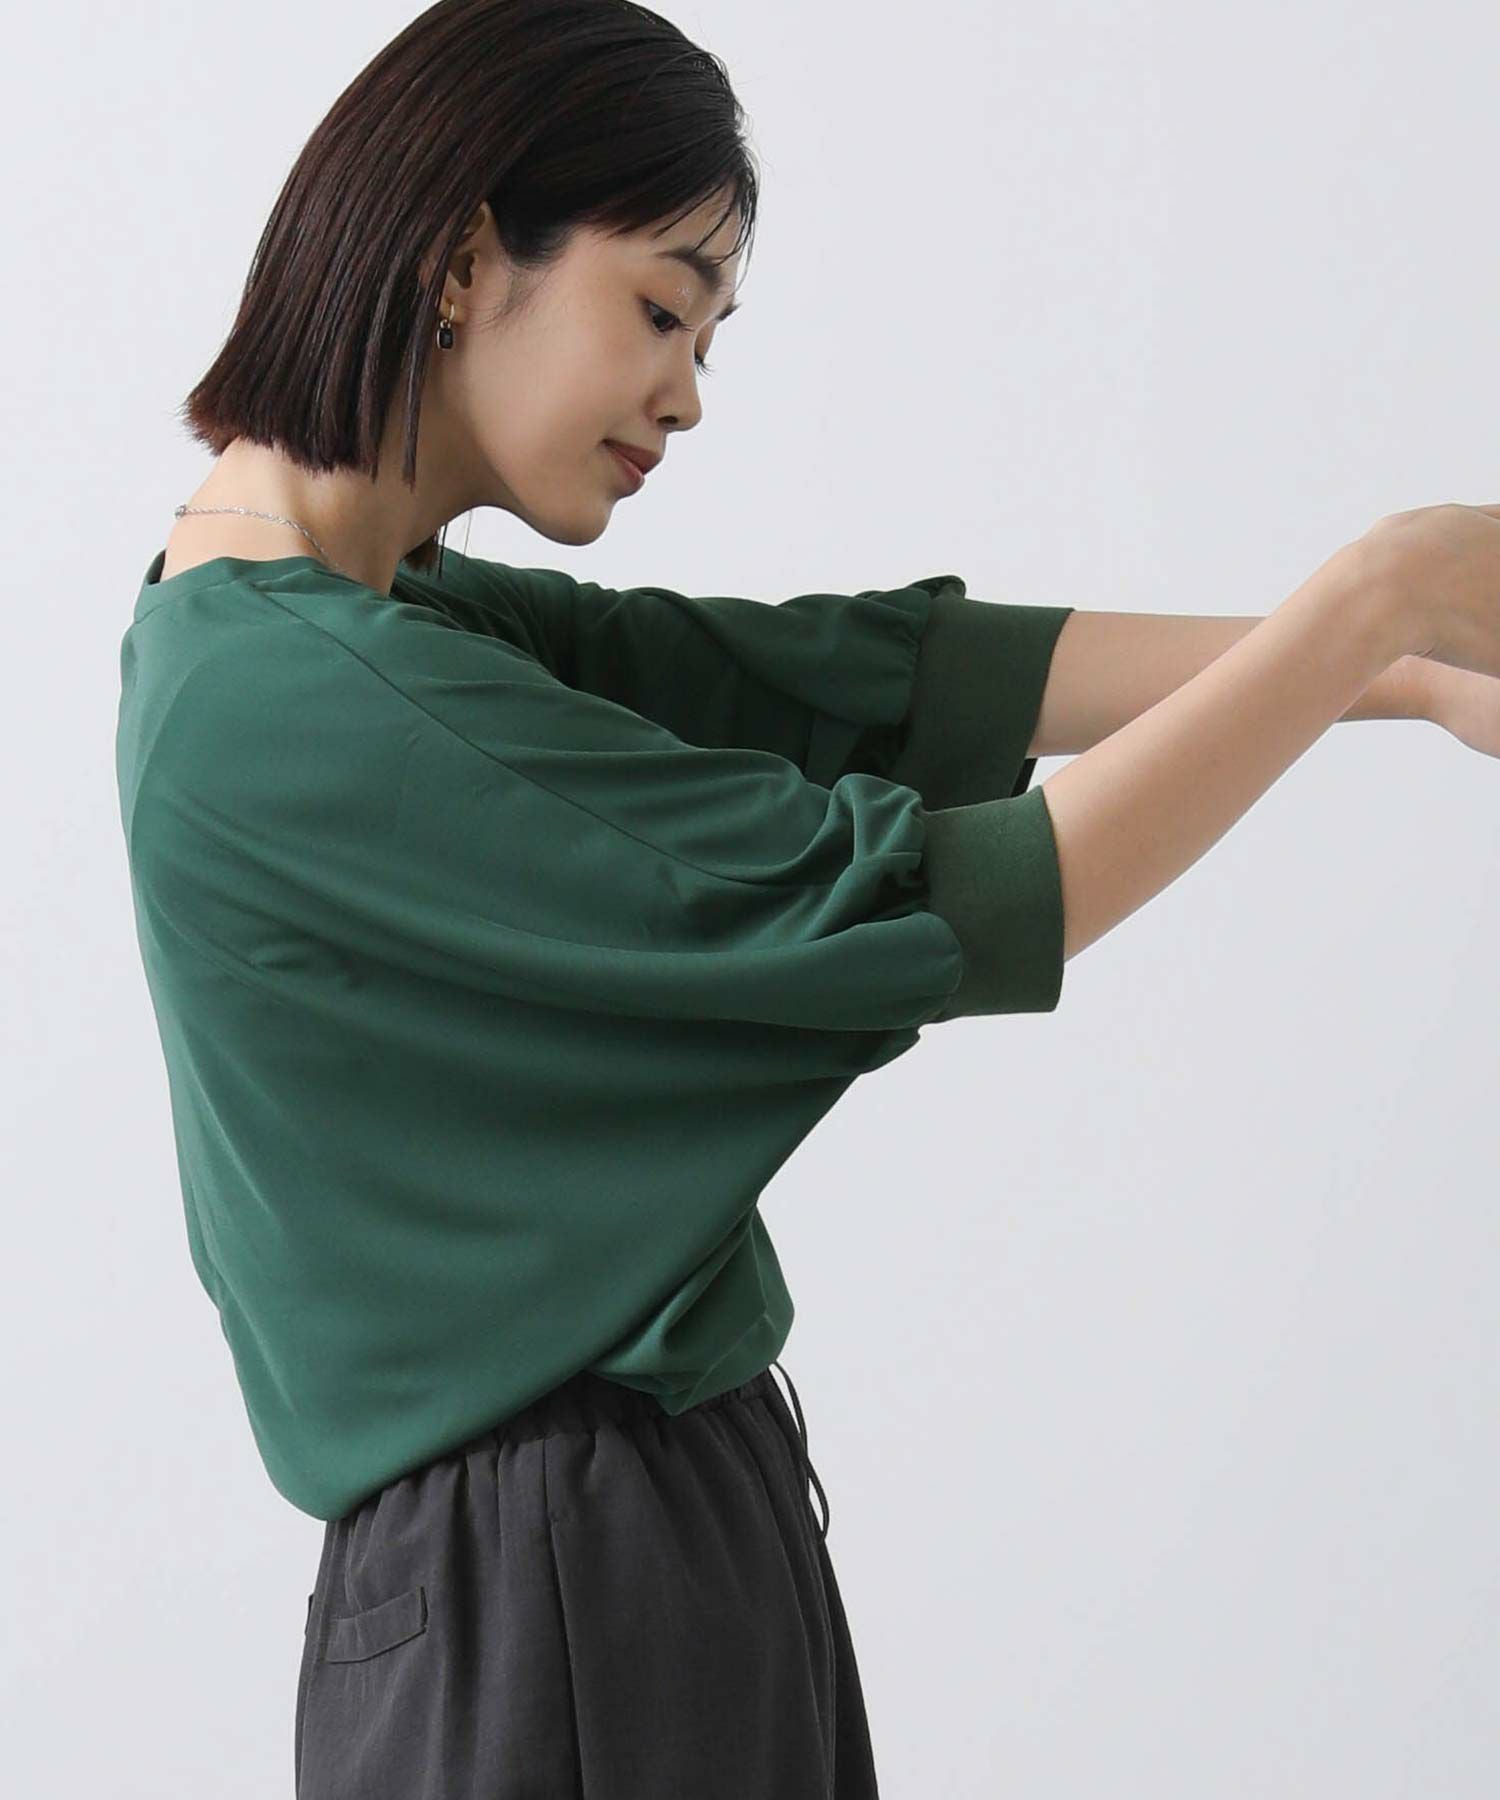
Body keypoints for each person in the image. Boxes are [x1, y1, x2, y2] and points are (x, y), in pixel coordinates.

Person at [115, 1, 1500, 1795]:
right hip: (557, 1588)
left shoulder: (335, 621)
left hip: (587, 1561)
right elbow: (943, 903)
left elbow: (845, 677)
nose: (686, 393)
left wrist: (1399, 669)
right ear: (464, 259)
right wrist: (1375, 596)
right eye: (660, 309)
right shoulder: (307, 694)